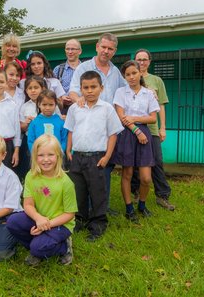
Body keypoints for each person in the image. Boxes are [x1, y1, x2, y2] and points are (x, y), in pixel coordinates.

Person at [68, 33, 126, 216]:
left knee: (104, 169)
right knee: (83, 177)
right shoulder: (84, 67)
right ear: (97, 46)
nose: (106, 51)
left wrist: (148, 91)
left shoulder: (115, 71)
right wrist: (82, 102)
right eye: (104, 47)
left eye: (110, 49)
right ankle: (86, 211)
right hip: (87, 123)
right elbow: (73, 92)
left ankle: (102, 207)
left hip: (107, 128)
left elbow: (125, 91)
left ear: (114, 51)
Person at [64, 71, 123, 242]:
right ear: (81, 88)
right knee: (78, 191)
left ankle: (98, 224)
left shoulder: (107, 109)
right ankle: (80, 220)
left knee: (97, 191)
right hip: (77, 156)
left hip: (97, 157)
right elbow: (71, 130)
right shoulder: (75, 108)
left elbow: (113, 134)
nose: (89, 91)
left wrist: (107, 157)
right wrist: (69, 150)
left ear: (101, 88)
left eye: (93, 87)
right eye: (86, 87)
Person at [7, 134, 77, 266]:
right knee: (13, 222)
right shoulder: (31, 176)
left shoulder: (65, 182)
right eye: (41, 155)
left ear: (58, 156)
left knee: (37, 247)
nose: (46, 160)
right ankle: (39, 244)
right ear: (35, 157)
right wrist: (38, 219)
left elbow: (69, 214)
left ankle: (64, 247)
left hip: (60, 223)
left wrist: (46, 225)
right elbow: (27, 205)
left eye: (50, 155)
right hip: (39, 218)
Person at [111, 60, 160, 224]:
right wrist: (136, 130)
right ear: (124, 77)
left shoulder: (149, 94)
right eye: (128, 75)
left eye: (134, 73)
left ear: (140, 72)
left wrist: (136, 120)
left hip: (144, 134)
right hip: (127, 133)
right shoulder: (120, 92)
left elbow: (153, 118)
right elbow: (121, 116)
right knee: (127, 173)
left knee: (146, 178)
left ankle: (142, 205)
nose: (131, 77)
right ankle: (129, 208)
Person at [134, 49, 174, 210]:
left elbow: (161, 106)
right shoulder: (129, 78)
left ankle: (162, 195)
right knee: (134, 162)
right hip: (133, 128)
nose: (142, 62)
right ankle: (135, 192)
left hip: (151, 128)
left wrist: (162, 128)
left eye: (144, 59)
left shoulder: (156, 81)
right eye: (138, 59)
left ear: (149, 61)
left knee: (156, 161)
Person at [16, 76, 48, 181]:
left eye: (36, 87)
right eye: (30, 88)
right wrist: (26, 123)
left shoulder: (49, 104)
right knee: (30, 166)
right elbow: (21, 128)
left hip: (46, 141)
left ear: (43, 89)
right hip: (29, 141)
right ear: (26, 91)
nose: (33, 91)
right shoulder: (25, 106)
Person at [53, 39, 82, 114]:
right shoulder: (58, 69)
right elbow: (51, 90)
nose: (70, 52)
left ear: (80, 51)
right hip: (63, 109)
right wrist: (61, 97)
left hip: (81, 107)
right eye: (67, 49)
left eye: (73, 49)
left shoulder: (85, 68)